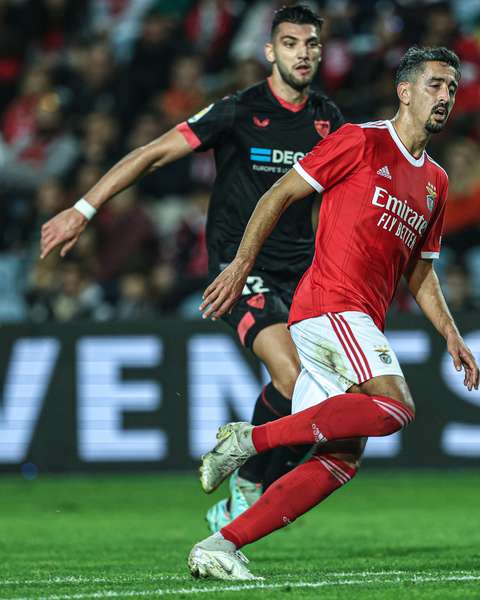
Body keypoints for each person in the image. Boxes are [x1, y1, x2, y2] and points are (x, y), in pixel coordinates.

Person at [38, 4, 344, 533]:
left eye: (311, 44)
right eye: (290, 43)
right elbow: (153, 153)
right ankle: (248, 484)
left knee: (323, 397)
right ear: (270, 51)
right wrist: (82, 209)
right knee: (291, 374)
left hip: (303, 272)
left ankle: (244, 479)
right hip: (237, 270)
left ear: (321, 51)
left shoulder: (329, 121)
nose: (302, 53)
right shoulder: (238, 111)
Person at [188, 46, 480, 581]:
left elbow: (420, 271)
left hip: (356, 319)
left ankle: (220, 544)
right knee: (395, 407)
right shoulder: (361, 141)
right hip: (330, 305)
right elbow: (280, 192)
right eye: (435, 85)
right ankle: (249, 440)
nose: (445, 96)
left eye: (452, 89)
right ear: (405, 91)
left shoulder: (435, 181)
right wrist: (240, 264)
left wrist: (452, 336)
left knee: (339, 461)